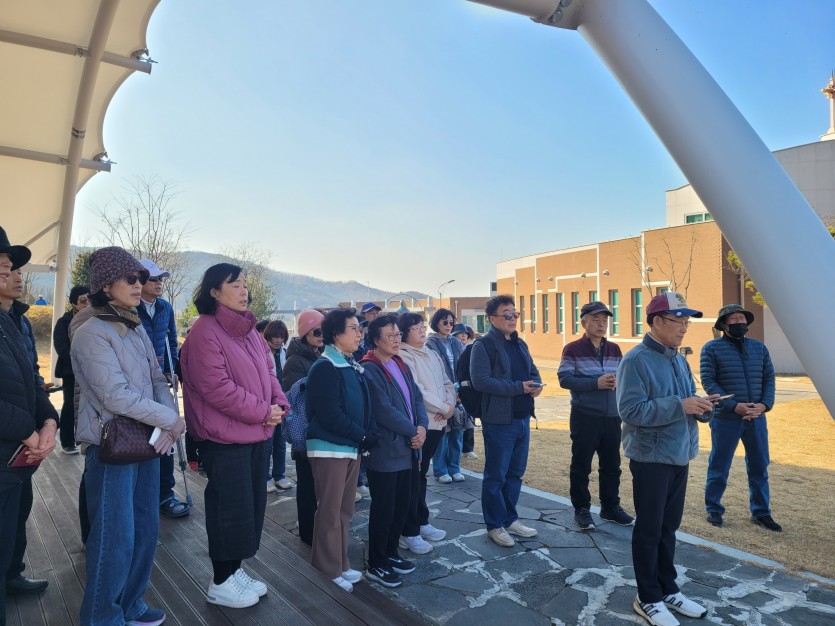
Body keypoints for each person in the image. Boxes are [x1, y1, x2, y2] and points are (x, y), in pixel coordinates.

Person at [72, 246, 184, 626]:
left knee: (145, 529)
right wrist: (170, 420)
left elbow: (157, 378)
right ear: (106, 285)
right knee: (113, 537)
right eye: (131, 278)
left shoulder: (134, 328)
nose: (139, 285)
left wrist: (169, 420)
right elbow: (115, 396)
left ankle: (132, 604)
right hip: (110, 445)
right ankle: (102, 616)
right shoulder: (90, 332)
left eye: (141, 279)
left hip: (146, 441)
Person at [180, 263, 288, 609]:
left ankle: (234, 571)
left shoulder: (250, 331)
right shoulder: (205, 331)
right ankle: (220, 581)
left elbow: (269, 373)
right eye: (235, 285)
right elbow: (216, 388)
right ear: (214, 291)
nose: (244, 291)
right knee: (228, 510)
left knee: (249, 508)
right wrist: (263, 411)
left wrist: (279, 403)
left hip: (256, 433)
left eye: (245, 285)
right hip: (223, 438)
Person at [617, 291, 716, 626]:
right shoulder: (635, 360)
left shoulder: (678, 359)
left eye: (687, 321)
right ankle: (647, 597)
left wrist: (702, 406)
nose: (684, 327)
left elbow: (686, 401)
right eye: (678, 321)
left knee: (668, 527)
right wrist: (681, 405)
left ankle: (668, 588)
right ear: (657, 322)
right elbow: (630, 411)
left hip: (679, 454)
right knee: (649, 529)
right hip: (651, 458)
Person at [0, 227, 58, 621]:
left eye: (12, 265)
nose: (12, 272)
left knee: (11, 533)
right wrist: (29, 431)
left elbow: (30, 380)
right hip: (12, 448)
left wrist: (49, 422)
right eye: (4, 264)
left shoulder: (11, 322)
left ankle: (11, 575)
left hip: (16, 459)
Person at [305, 308, 375, 593]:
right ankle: (327, 569)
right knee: (330, 511)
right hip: (329, 449)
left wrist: (365, 434)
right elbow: (328, 413)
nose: (359, 334)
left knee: (345, 510)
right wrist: (362, 434)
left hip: (349, 447)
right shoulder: (325, 366)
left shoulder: (348, 363)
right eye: (353, 328)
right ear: (335, 334)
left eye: (360, 328)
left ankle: (341, 564)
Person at [360, 315, 428, 588]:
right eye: (391, 335)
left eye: (398, 334)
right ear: (376, 340)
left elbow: (417, 397)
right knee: (384, 509)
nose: (397, 339)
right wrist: (413, 431)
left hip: (408, 449)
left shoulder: (399, 362)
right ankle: (376, 562)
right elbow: (383, 410)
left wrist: (422, 426)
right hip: (387, 451)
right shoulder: (370, 368)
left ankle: (391, 553)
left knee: (401, 506)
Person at [470, 295, 541, 548]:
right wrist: (518, 387)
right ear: (492, 319)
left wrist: (536, 385)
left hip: (522, 419)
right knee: (496, 476)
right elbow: (481, 381)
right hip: (499, 421)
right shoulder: (484, 345)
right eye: (507, 314)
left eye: (515, 314)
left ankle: (510, 519)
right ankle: (495, 524)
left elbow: (533, 371)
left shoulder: (520, 344)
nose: (512, 319)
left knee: (515, 474)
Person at [700, 304, 779, 531]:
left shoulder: (759, 348)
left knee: (759, 466)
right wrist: (734, 406)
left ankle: (761, 512)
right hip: (726, 418)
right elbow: (709, 381)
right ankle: (714, 509)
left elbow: (769, 378)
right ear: (724, 324)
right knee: (720, 464)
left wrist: (763, 405)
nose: (739, 322)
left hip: (756, 417)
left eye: (742, 318)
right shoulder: (711, 349)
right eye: (733, 319)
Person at [558, 301, 634, 530]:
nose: (601, 324)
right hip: (585, 416)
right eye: (595, 319)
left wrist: (618, 382)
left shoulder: (615, 349)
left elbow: (623, 377)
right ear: (584, 323)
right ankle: (581, 509)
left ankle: (610, 507)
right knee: (581, 466)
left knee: (612, 466)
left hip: (612, 416)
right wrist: (595, 383)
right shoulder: (572, 349)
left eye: (604, 320)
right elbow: (564, 379)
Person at [137, 258, 191, 520]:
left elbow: (171, 341)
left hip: (160, 380)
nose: (159, 283)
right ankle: (145, 493)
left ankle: (165, 493)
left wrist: (173, 369)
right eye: (153, 279)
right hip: (136, 383)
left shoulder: (165, 308)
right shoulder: (130, 307)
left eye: (160, 279)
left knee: (167, 431)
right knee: (141, 436)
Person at [397, 312, 454, 555]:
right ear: (404, 333)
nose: (422, 330)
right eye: (416, 327)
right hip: (423, 424)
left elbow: (447, 382)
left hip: (439, 422)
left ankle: (421, 520)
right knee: (413, 476)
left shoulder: (431, 353)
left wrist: (450, 405)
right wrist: (442, 408)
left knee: (421, 475)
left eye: (422, 326)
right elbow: (417, 390)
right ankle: (408, 529)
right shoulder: (403, 356)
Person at [282, 308, 325, 545]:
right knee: (307, 487)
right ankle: (308, 534)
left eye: (323, 331)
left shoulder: (319, 355)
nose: (321, 335)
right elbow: (296, 400)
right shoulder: (295, 361)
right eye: (317, 331)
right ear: (305, 333)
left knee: (319, 487)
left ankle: (316, 529)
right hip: (306, 433)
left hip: (320, 430)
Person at [426, 308, 466, 483]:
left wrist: (461, 390)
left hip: (458, 393)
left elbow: (464, 366)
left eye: (451, 323)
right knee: (441, 433)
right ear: (436, 323)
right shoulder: (430, 343)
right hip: (440, 393)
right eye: (445, 322)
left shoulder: (455, 342)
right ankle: (440, 470)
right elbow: (432, 371)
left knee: (457, 431)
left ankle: (455, 468)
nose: (449, 326)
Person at [53, 284, 90, 454]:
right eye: (83, 301)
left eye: (90, 299)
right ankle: (67, 441)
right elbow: (62, 348)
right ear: (74, 303)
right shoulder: (64, 321)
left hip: (92, 370)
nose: (87, 304)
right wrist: (80, 361)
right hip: (71, 371)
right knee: (69, 405)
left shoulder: (96, 318)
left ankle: (87, 439)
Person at [263, 320, 293, 492]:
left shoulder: (285, 352)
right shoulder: (262, 352)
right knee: (267, 443)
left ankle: (279, 475)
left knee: (280, 443)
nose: (278, 340)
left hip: (283, 403)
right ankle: (265, 477)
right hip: (268, 403)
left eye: (281, 337)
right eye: (275, 336)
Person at [451, 322, 478, 460]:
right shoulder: (450, 349)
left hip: (468, 388)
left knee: (469, 419)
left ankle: (468, 448)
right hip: (454, 388)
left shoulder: (471, 348)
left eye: (465, 334)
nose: (463, 336)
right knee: (456, 422)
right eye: (459, 334)